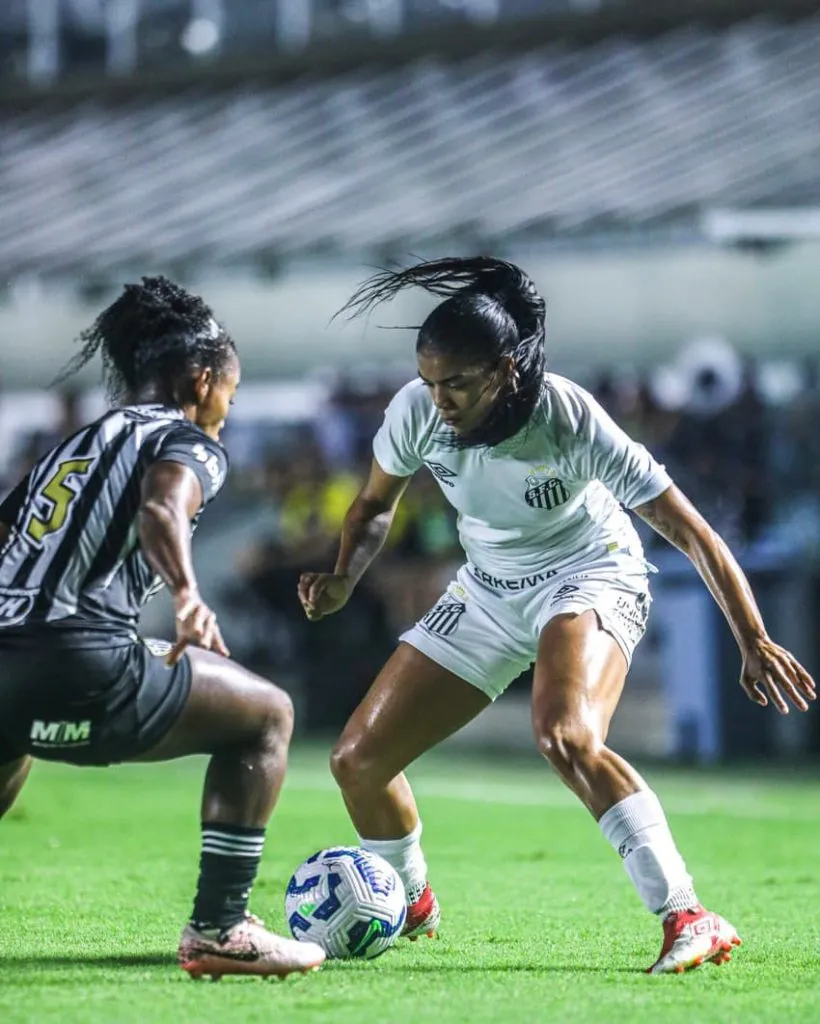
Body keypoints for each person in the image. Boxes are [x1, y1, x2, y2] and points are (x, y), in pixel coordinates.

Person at [298, 256, 816, 975]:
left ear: (505, 370)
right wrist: (344, 577)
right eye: (429, 381)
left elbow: (692, 530)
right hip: (487, 587)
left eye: (457, 383)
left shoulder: (566, 417)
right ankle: (412, 900)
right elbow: (374, 505)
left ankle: (689, 914)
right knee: (357, 761)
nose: (438, 399)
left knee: (566, 736)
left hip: (590, 573)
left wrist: (753, 637)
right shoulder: (417, 413)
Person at [0, 277, 325, 981]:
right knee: (267, 715)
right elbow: (160, 511)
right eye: (229, 400)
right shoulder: (187, 440)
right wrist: (186, 595)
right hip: (82, 660)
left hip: (6, 660)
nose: (225, 416)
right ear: (203, 381)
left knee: (9, 736)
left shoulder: (71, 446)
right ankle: (220, 927)